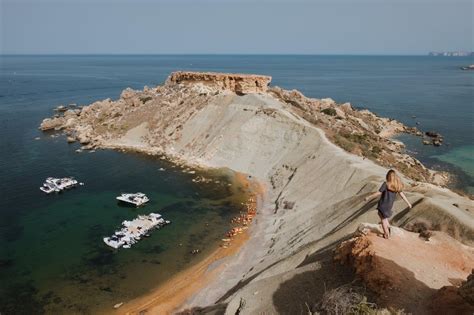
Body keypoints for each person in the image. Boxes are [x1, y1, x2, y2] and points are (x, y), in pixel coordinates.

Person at [364, 169, 412, 239]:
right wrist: (408, 203)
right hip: (389, 205)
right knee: (385, 218)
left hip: (383, 204)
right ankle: (389, 228)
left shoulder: (386, 184)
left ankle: (386, 234)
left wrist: (369, 197)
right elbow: (402, 195)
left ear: (388, 176)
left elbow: (379, 193)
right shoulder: (396, 185)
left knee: (383, 220)